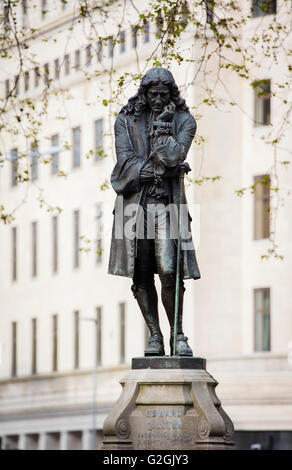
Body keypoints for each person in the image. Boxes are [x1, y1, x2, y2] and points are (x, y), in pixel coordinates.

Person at [108, 67, 200, 356]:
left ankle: (178, 334)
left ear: (171, 94)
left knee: (170, 270)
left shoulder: (184, 121)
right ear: (144, 93)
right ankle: (155, 335)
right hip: (133, 206)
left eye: (164, 94)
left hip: (166, 204)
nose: (158, 99)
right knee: (141, 272)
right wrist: (157, 169)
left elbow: (173, 157)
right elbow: (124, 163)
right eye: (153, 94)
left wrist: (163, 127)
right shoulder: (125, 120)